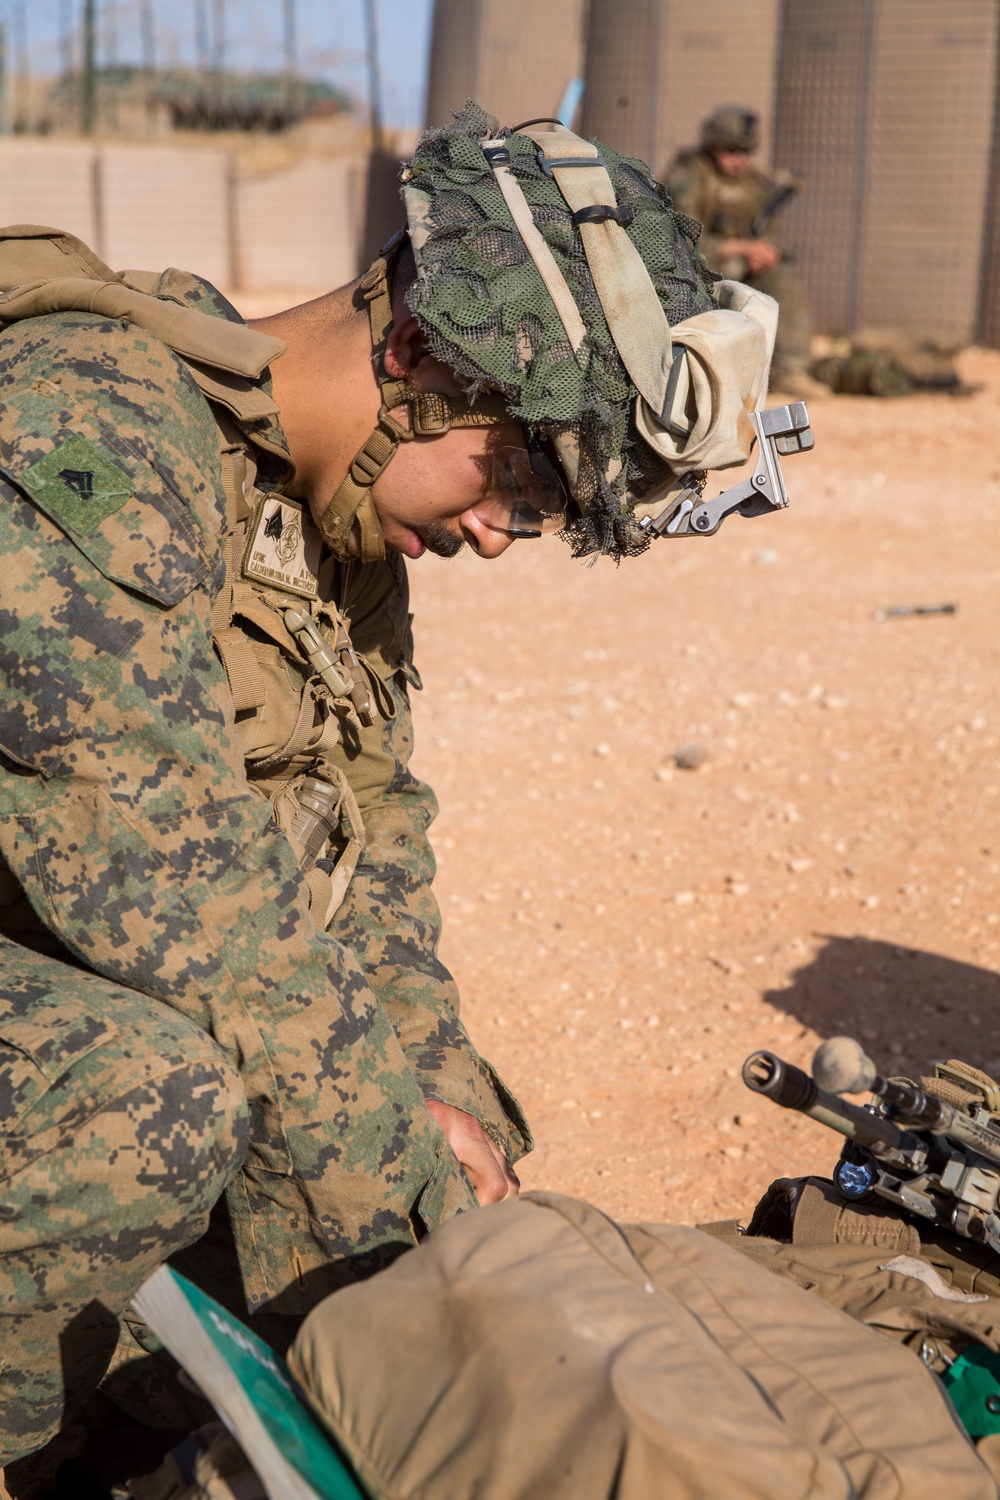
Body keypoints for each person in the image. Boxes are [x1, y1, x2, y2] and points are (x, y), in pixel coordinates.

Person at [0, 100, 784, 1478]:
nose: (499, 534)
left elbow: (371, 856)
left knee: (414, 1148)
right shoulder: (90, 432)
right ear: (417, 351)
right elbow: (186, 903)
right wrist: (392, 1196)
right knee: (153, 1104)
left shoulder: (334, 538)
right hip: (113, 954)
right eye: (522, 474)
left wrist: (443, 1105)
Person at [666, 105, 822, 398]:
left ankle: (791, 370)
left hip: (742, 263)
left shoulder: (753, 183)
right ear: (712, 146)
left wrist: (765, 252)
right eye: (730, 151)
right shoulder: (689, 174)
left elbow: (765, 233)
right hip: (695, 264)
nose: (739, 160)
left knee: (780, 276)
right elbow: (678, 235)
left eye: (745, 152)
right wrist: (733, 248)